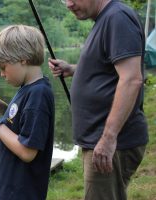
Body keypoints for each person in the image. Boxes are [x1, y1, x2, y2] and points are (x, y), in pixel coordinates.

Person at [48, 0, 148, 199]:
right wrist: (74, 69)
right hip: (102, 140)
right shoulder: (107, 18)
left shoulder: (116, 17)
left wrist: (108, 138)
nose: (68, 4)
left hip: (112, 143)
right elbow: (109, 68)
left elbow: (132, 79)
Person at [0, 25, 55, 200]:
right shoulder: (30, 87)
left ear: (23, 59)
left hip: (22, 192)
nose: (2, 74)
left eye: (3, 67)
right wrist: (2, 107)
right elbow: (23, 121)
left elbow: (27, 152)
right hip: (13, 187)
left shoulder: (38, 94)